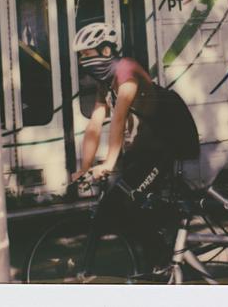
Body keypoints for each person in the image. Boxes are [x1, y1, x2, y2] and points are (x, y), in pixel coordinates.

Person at [71, 22, 199, 264]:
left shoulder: (126, 71)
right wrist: (84, 167)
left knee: (129, 202)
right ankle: (157, 255)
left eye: (86, 55)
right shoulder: (105, 82)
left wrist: (108, 163)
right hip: (143, 147)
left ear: (106, 51)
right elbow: (94, 126)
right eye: (79, 57)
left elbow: (117, 120)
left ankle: (164, 259)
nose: (82, 62)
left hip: (165, 142)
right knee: (116, 207)